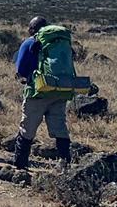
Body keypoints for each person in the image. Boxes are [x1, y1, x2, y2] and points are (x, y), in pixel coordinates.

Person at [12, 15, 72, 171]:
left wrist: (24, 77)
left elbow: (21, 69)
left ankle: (20, 165)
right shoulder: (59, 42)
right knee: (60, 127)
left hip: (38, 91)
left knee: (27, 128)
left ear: (33, 29)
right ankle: (65, 164)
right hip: (60, 90)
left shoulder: (30, 42)